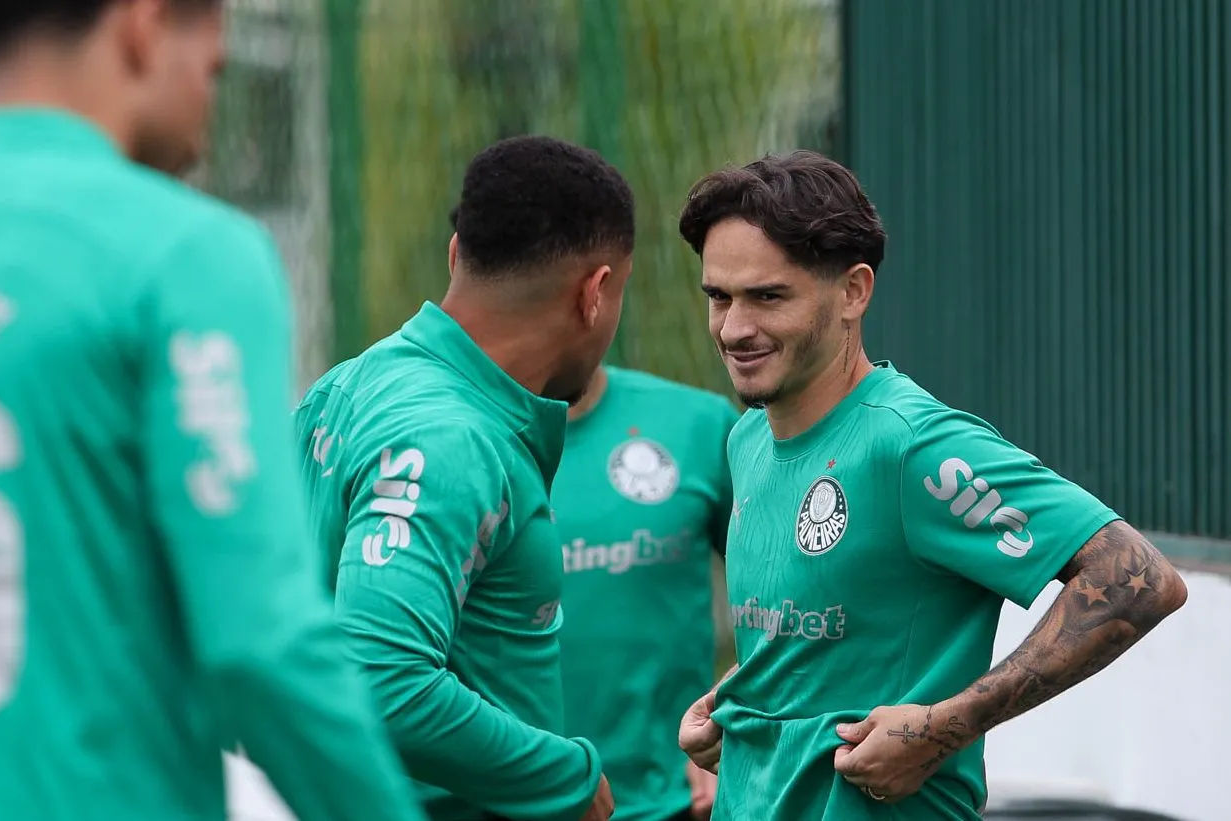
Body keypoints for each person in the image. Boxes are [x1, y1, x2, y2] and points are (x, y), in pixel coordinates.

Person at [0, 2, 425, 820]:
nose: (212, 81)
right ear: (144, 24)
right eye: (212, 54)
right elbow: (262, 645)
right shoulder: (183, 255)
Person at [672, 151, 1188, 820]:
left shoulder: (911, 443)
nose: (735, 327)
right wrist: (737, 703)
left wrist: (943, 725)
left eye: (769, 296)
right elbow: (837, 633)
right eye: (719, 296)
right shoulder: (747, 441)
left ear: (853, 291)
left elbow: (1138, 576)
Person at [293, 135, 634, 821]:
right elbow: (381, 676)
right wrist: (567, 776)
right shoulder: (451, 438)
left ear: (455, 255)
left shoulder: (344, 387)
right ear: (594, 294)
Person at [552, 364, 738, 821]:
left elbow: (803, 596)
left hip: (679, 801)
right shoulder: (449, 445)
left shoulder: (699, 423)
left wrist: (738, 711)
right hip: (512, 803)